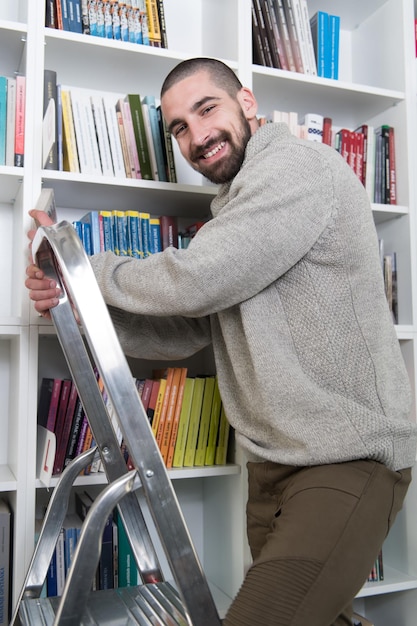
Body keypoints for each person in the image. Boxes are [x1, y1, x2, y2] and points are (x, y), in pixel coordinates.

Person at [26, 58, 416, 626]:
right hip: (273, 466)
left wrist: (81, 267)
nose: (197, 135)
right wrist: (79, 307)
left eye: (207, 109)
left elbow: (198, 278)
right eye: (179, 127)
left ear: (248, 103)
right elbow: (189, 327)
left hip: (347, 459)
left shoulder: (297, 168)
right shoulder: (233, 211)